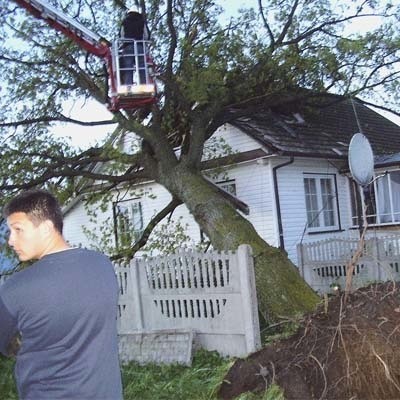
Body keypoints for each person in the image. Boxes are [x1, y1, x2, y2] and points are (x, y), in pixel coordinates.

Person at [0, 189, 123, 399]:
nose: (11, 241)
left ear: (47, 228)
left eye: (18, 229)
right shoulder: (101, 264)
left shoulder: (16, 288)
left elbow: (6, 343)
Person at [119, 7, 149, 86]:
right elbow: (146, 36)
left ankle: (128, 84)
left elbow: (122, 35)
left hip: (128, 46)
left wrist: (123, 44)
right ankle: (144, 84)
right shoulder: (142, 22)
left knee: (128, 67)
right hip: (139, 46)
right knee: (141, 67)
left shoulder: (125, 21)